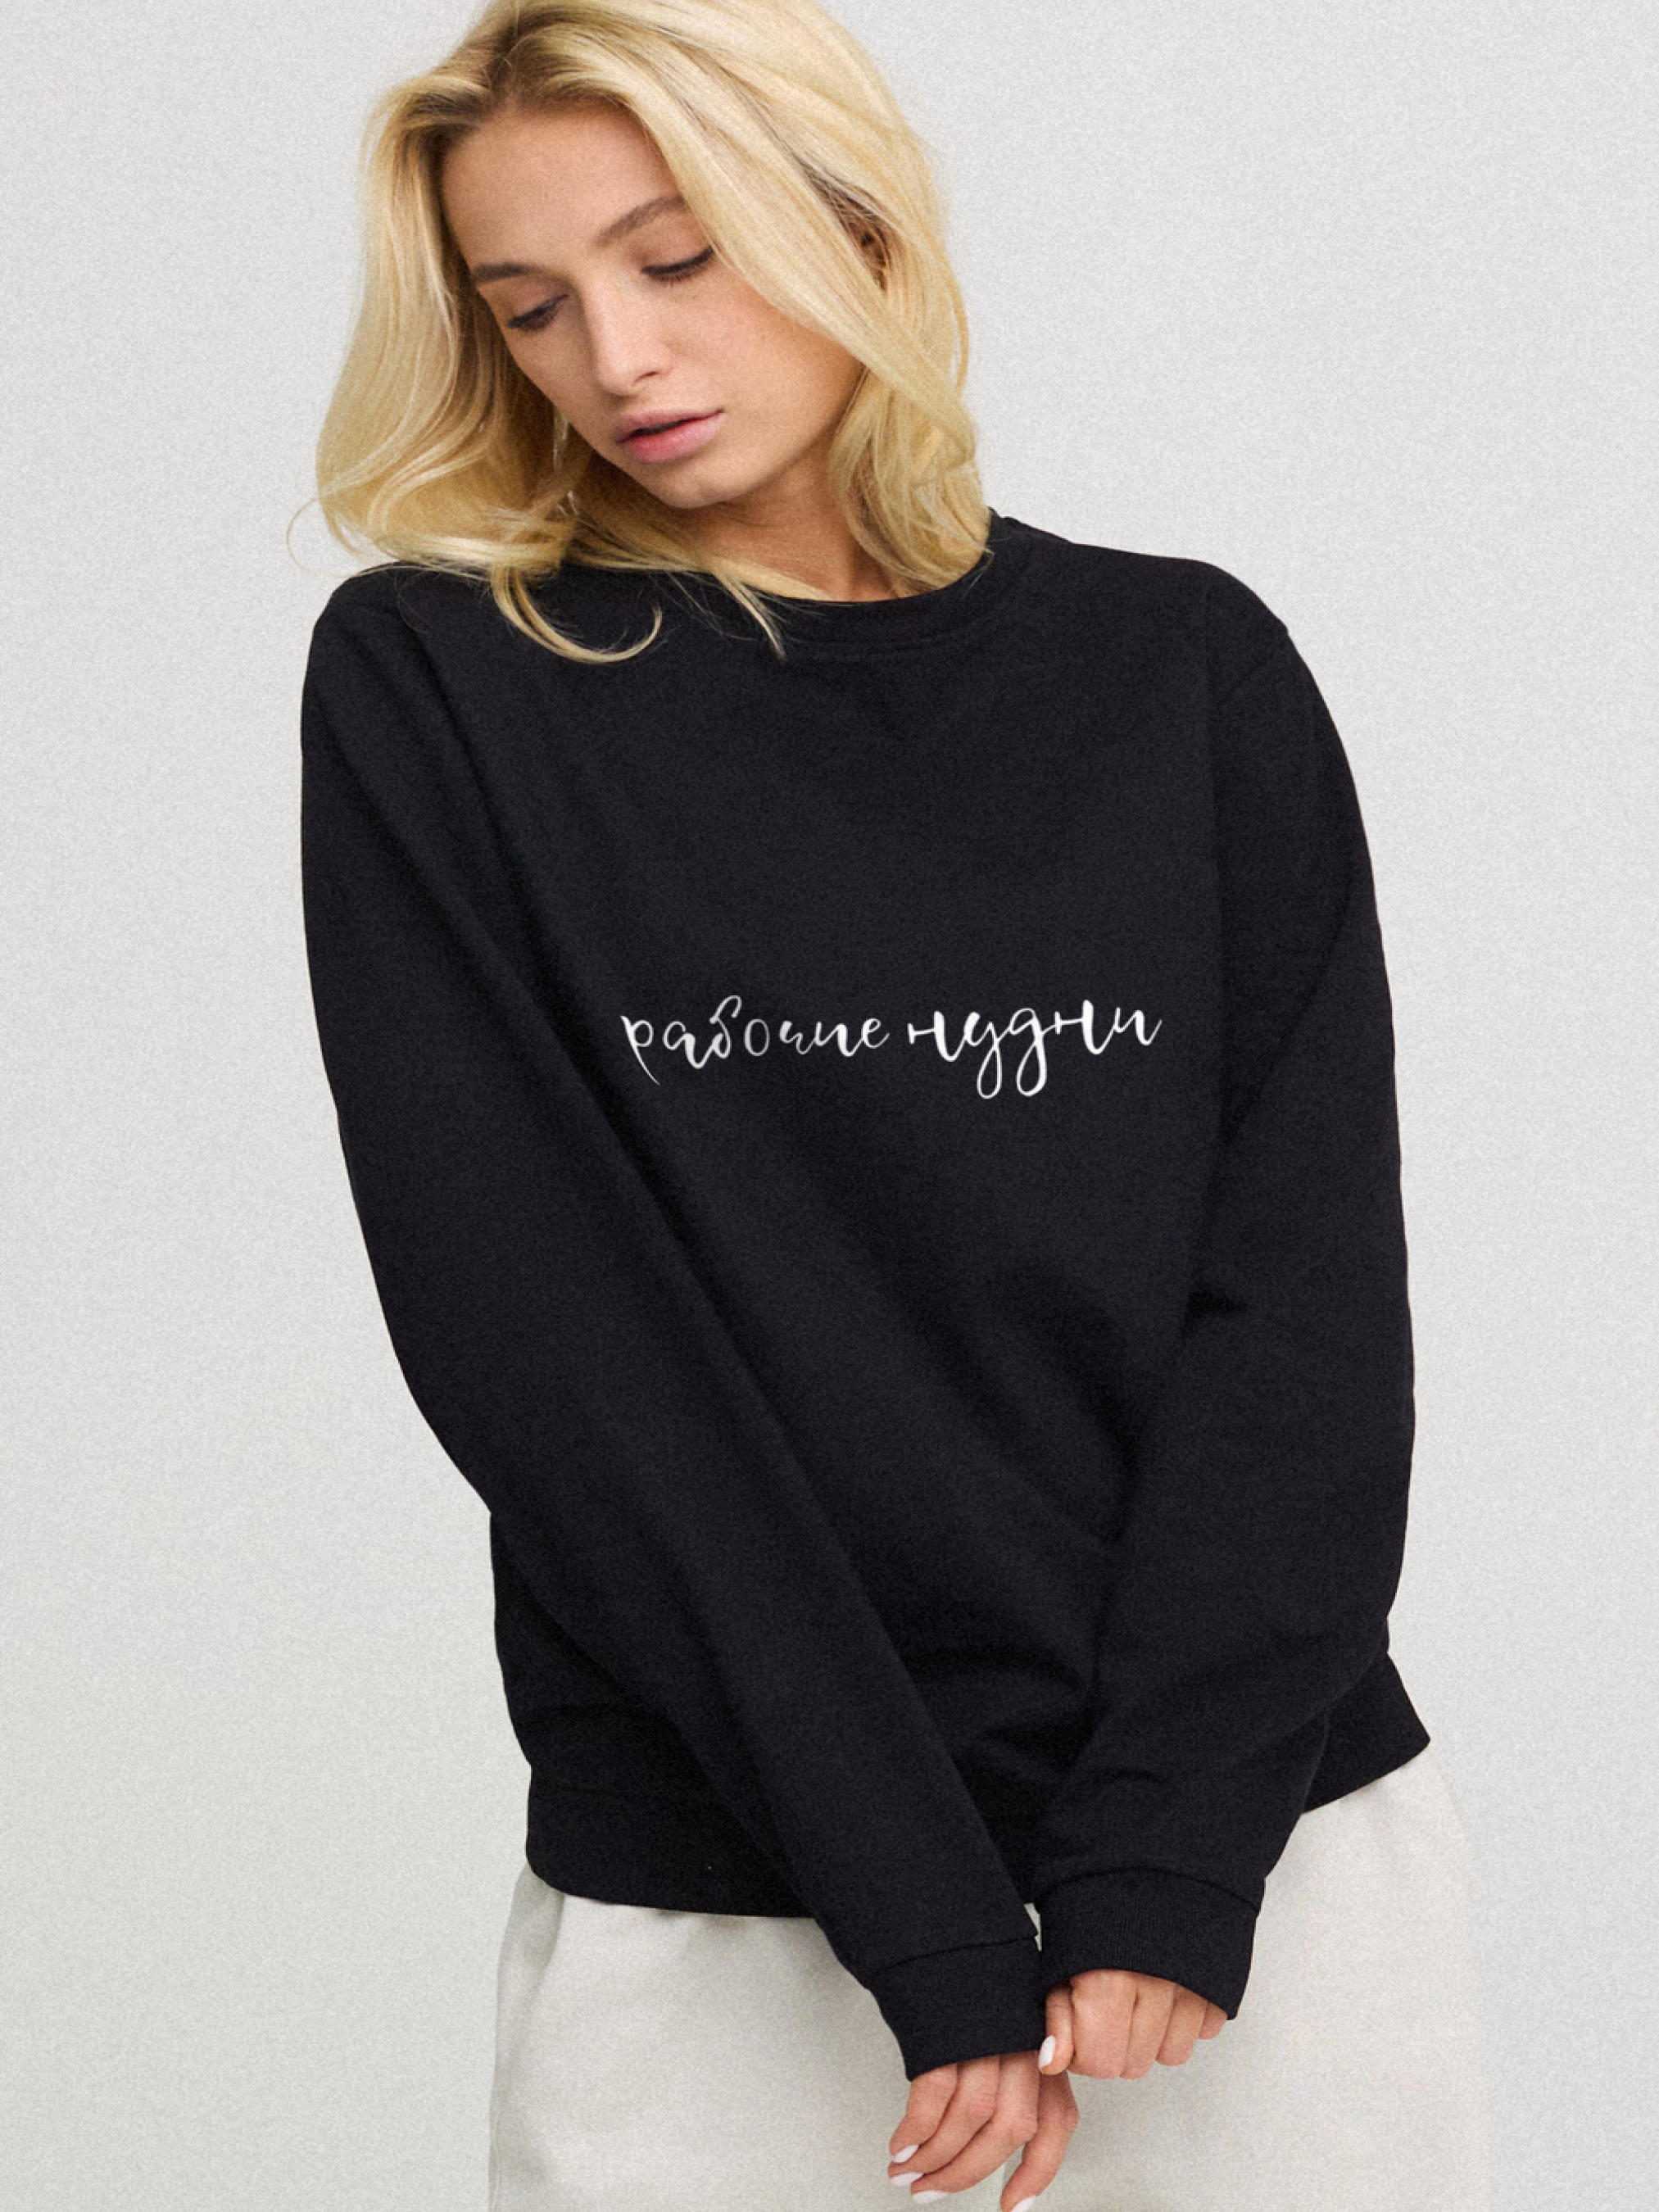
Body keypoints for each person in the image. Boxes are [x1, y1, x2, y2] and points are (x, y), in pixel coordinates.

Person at [297, 2, 1492, 2206]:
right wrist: (929, 1929)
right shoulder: (446, 694)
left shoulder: (1181, 671)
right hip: (731, 1905)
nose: (614, 357)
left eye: (676, 258)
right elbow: (558, 1355)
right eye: (529, 304)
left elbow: (1304, 1313)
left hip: (1246, 1883)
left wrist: (1163, 1852)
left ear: (852, 226)